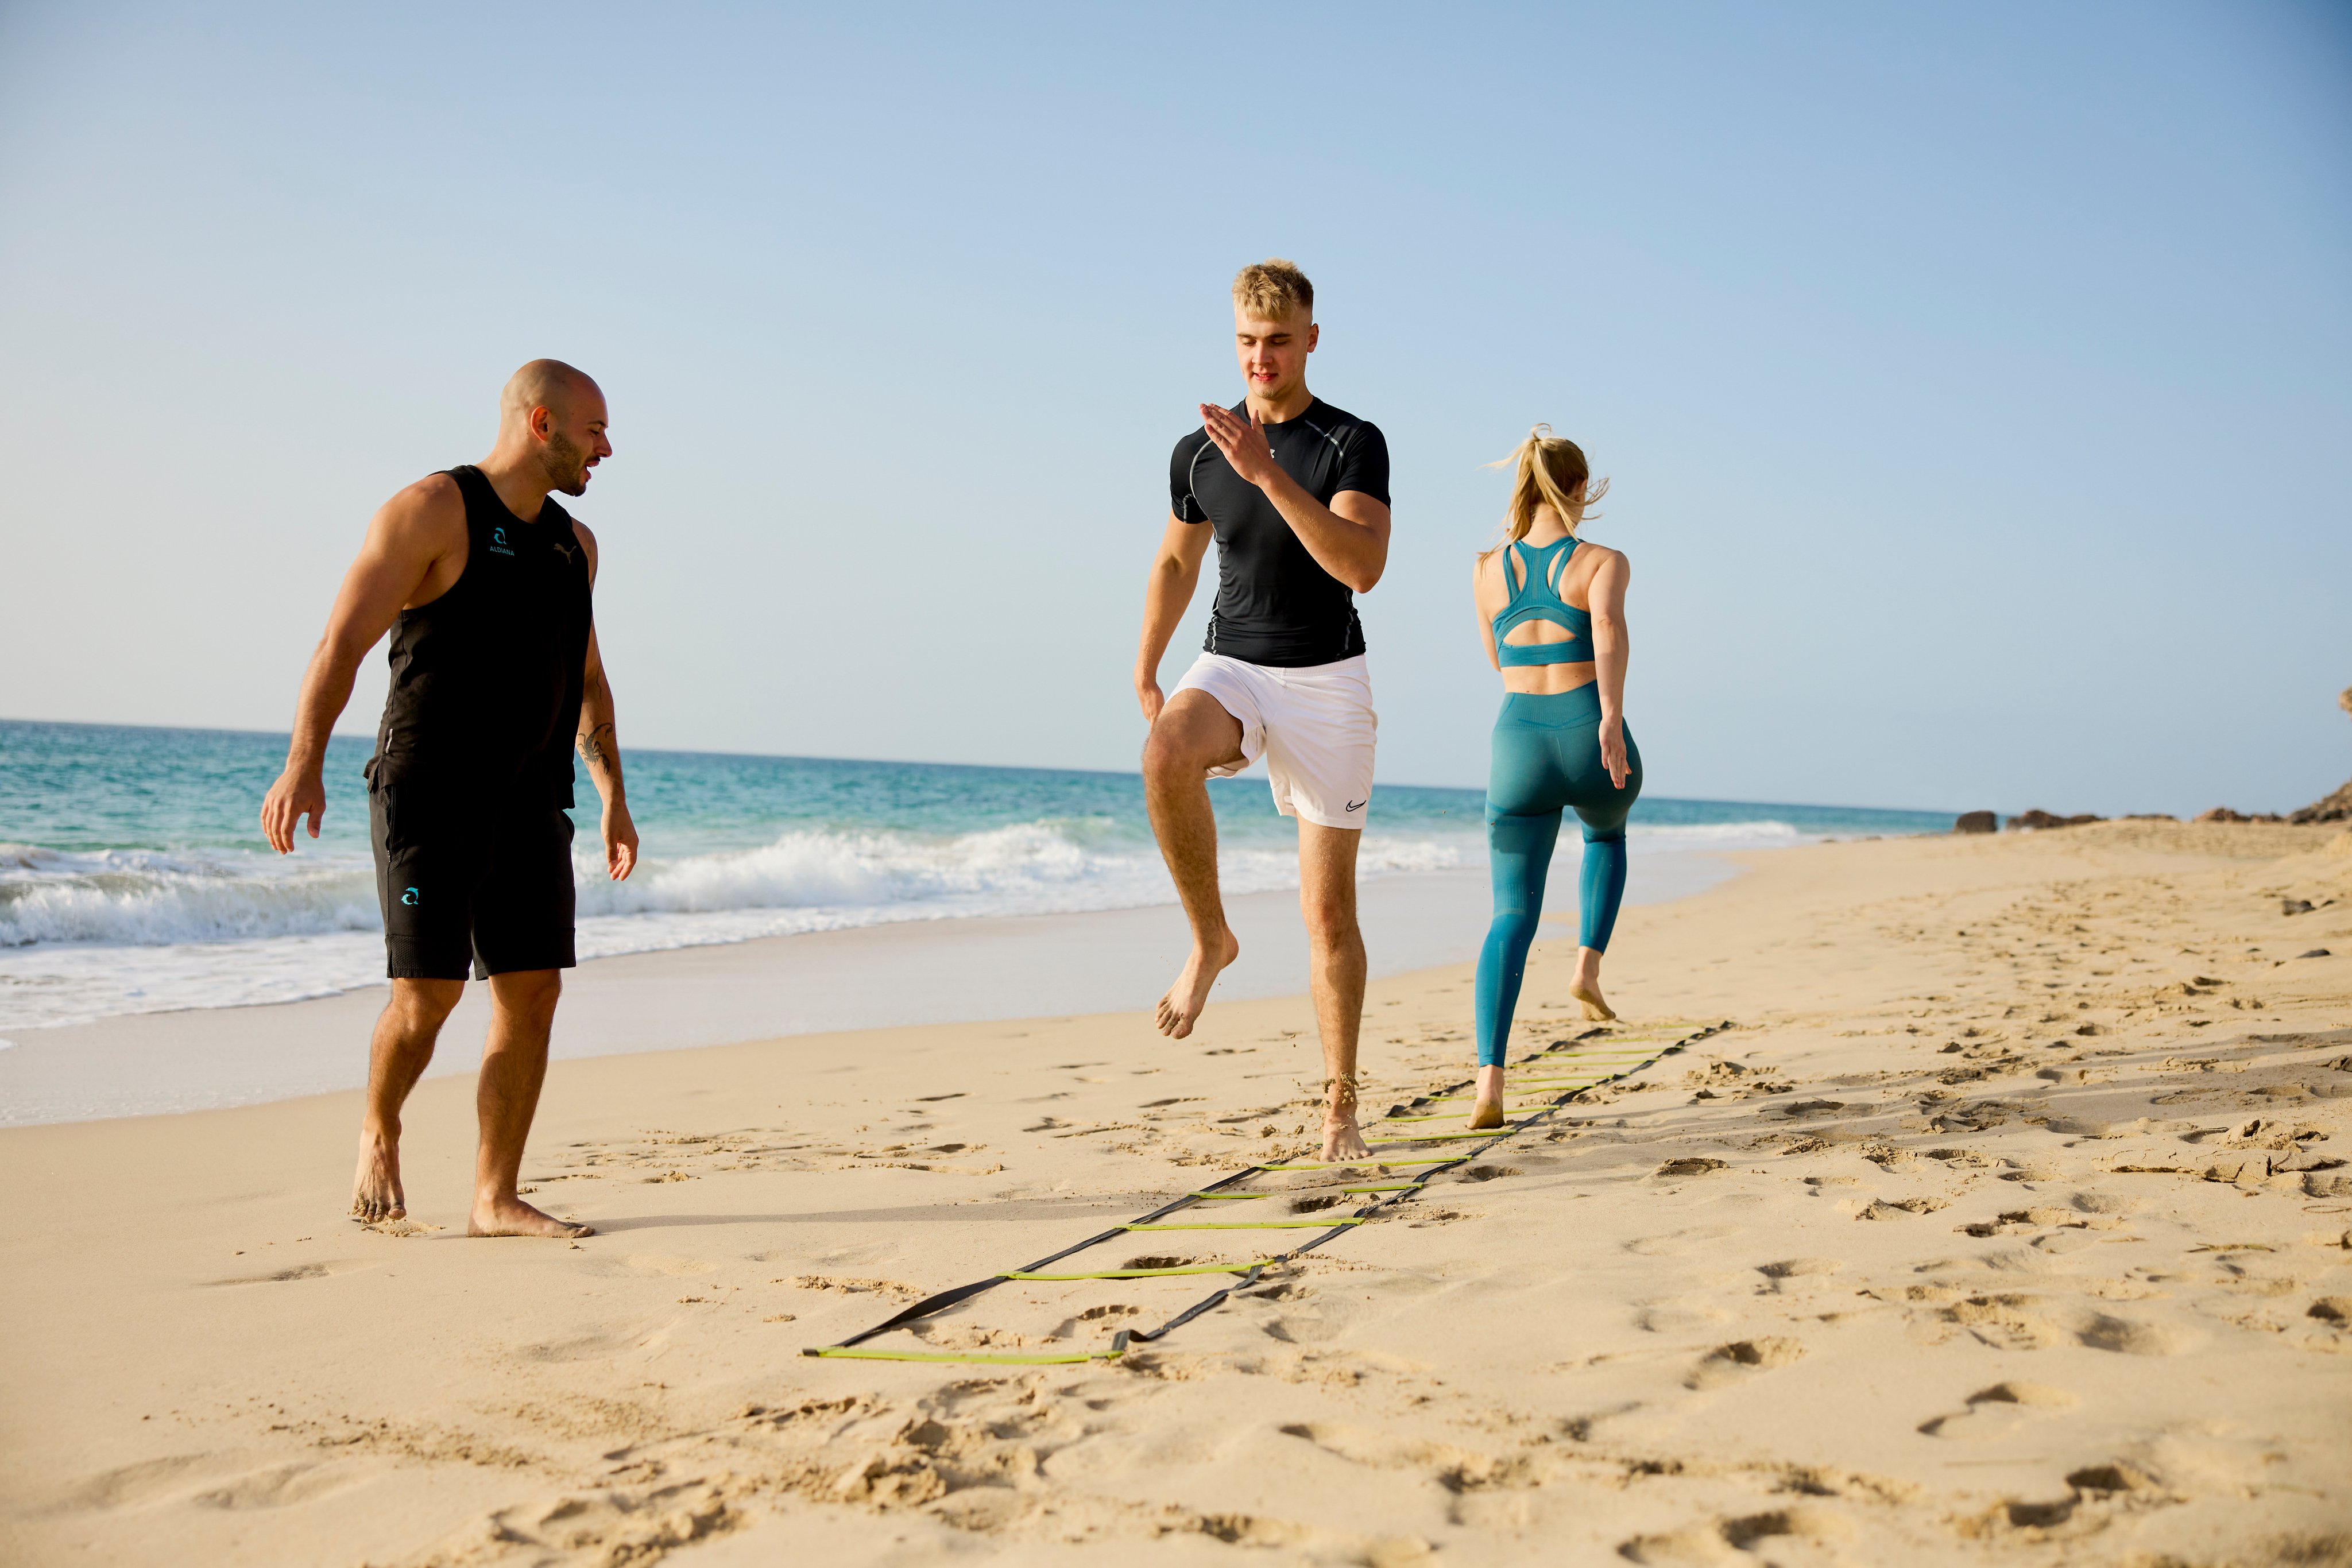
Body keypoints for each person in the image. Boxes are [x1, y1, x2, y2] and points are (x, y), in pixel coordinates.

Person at [259, 359, 637, 1237]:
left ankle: (493, 1197)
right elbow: (341, 643)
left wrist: (612, 794)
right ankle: (378, 1123)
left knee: (531, 992)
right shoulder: (434, 509)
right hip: (429, 789)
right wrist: (302, 762)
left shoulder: (575, 547)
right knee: (427, 996)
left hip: (531, 797)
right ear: (541, 424)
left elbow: (588, 677)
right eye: (594, 430)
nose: (606, 448)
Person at [1135, 260, 1392, 1161]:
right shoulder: (1199, 451)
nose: (1261, 357)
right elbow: (1176, 562)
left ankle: (1340, 1103)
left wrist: (1270, 474)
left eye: (1278, 341)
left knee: (1328, 915)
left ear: (1310, 340)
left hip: (1328, 680)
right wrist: (1147, 668)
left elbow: (1361, 565)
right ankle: (1211, 940)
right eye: (1247, 341)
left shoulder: (1350, 441)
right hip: (1234, 660)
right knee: (1165, 752)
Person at [1467, 427, 1641, 1129]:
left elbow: (1495, 659)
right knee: (1605, 834)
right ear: (1578, 488)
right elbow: (1608, 631)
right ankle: (1587, 967)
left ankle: (1489, 1082)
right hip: (1587, 727)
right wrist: (1610, 717)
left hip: (1517, 743)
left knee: (1510, 914)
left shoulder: (1486, 569)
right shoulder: (1602, 561)